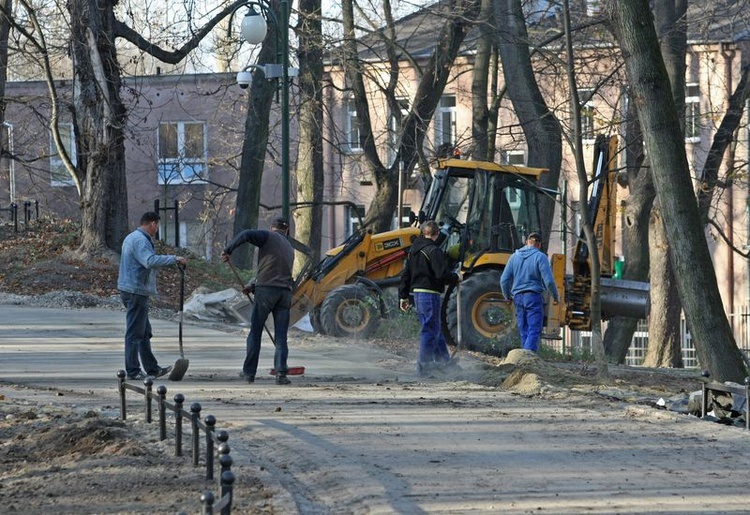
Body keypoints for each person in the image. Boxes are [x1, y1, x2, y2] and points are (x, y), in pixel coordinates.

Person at [221, 217, 295, 385]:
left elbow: (246, 234)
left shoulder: (268, 236)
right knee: (281, 336)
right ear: (287, 231)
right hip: (285, 293)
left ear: (271, 228)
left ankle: (249, 373)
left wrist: (228, 250)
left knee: (256, 332)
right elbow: (274, 269)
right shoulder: (290, 248)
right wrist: (252, 285)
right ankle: (281, 373)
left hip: (266, 292)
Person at [118, 211, 187, 380]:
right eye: (157, 226)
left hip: (130, 288)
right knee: (135, 333)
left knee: (144, 331)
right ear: (152, 224)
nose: (157, 230)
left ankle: (152, 368)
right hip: (136, 291)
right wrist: (174, 259)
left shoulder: (132, 237)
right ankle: (133, 371)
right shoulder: (141, 240)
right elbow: (149, 261)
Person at [398, 220, 458, 376]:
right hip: (430, 293)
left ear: (422, 232)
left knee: (434, 327)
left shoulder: (413, 251)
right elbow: (441, 274)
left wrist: (403, 297)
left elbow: (406, 275)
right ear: (437, 234)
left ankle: (444, 362)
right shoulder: (434, 250)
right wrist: (456, 277)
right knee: (430, 329)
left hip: (417, 293)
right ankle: (424, 365)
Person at [500, 232, 560, 353]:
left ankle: (523, 358)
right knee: (534, 328)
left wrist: (507, 296)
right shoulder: (540, 257)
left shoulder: (514, 257)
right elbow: (549, 281)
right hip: (533, 296)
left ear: (527, 242)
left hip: (517, 297)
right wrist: (555, 295)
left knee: (523, 329)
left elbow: (504, 280)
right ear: (538, 245)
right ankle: (529, 357)